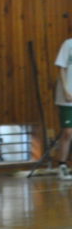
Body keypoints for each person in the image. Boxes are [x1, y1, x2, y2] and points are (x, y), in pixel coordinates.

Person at [54, 37, 72, 180]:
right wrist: (66, 90)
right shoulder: (68, 44)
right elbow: (61, 68)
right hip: (68, 97)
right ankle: (62, 165)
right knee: (68, 132)